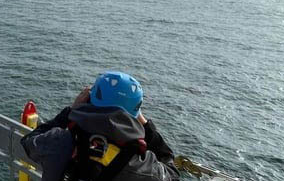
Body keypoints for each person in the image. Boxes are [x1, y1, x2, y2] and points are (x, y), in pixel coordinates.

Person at [21, 71, 179, 181]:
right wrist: (143, 122)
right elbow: (171, 172)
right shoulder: (141, 166)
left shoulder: (58, 141)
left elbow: (29, 140)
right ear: (135, 111)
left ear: (90, 98)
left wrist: (70, 111)